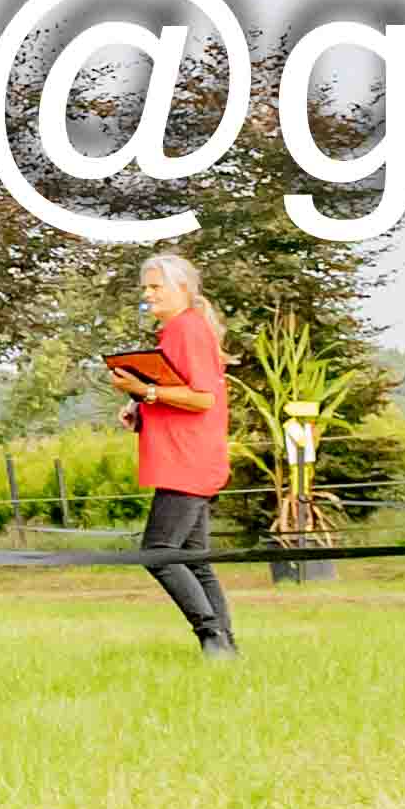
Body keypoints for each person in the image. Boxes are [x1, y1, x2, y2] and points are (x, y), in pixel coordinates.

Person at [120, 248, 236, 658]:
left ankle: (211, 637)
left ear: (182, 288)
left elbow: (202, 398)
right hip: (188, 457)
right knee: (193, 559)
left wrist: (145, 391)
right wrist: (140, 405)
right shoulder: (177, 331)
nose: (147, 294)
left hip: (186, 461)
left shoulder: (187, 330)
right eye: (145, 288)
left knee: (158, 552)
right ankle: (224, 648)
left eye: (155, 287)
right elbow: (179, 388)